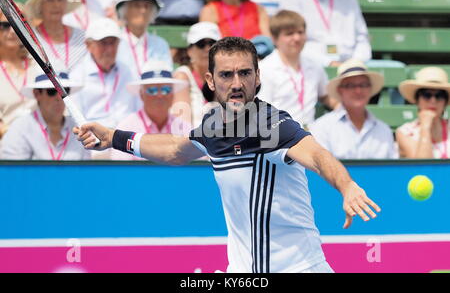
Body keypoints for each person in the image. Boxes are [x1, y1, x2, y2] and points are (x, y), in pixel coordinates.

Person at [74, 37, 381, 273]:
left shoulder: (273, 125)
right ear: (210, 81)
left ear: (257, 77)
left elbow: (316, 154)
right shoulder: (211, 127)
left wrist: (347, 185)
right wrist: (114, 137)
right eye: (226, 75)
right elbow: (173, 150)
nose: (236, 84)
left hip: (298, 267)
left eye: (245, 73)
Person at [258, 10, 338, 128]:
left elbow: (326, 96)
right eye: (289, 33)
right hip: (279, 137)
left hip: (311, 134)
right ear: (274, 38)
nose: (297, 38)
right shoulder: (264, 69)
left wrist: (342, 109)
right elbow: (262, 113)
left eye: (300, 32)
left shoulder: (314, 66)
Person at [309, 59, 397, 159]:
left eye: (363, 85)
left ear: (370, 89)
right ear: (340, 90)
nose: (358, 91)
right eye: (350, 85)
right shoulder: (322, 128)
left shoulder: (384, 130)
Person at [279, 0, 371, 67]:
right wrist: (328, 63)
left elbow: (362, 37)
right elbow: (292, 41)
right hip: (310, 67)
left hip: (352, 69)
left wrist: (356, 62)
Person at [1, 68, 90, 160]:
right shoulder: (20, 128)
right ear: (37, 94)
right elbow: (13, 172)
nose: (59, 98)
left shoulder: (80, 128)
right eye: (52, 91)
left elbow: (87, 169)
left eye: (64, 91)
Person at [111, 60, 190, 160]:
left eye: (166, 90)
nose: (160, 95)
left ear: (173, 94)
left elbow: (197, 166)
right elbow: (120, 169)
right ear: (141, 95)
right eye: (152, 90)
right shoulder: (126, 128)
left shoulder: (184, 127)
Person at [70, 17, 139, 129]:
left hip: (127, 137)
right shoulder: (76, 77)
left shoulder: (129, 71)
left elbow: (138, 109)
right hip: (93, 139)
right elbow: (76, 120)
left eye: (113, 43)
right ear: (88, 45)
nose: (110, 49)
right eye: (104, 43)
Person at [25, 0, 88, 71]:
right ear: (39, 5)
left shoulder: (82, 37)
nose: (56, 5)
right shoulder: (30, 39)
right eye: (50, 0)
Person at [115, 0, 173, 83]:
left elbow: (166, 77)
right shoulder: (114, 42)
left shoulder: (160, 44)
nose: (143, 10)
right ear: (125, 10)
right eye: (136, 5)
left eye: (146, 6)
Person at [173, 21, 221, 127]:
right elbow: (182, 126)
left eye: (212, 44)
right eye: (201, 44)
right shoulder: (182, 76)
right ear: (189, 51)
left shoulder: (226, 76)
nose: (207, 48)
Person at [396, 67, 450, 159]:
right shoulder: (405, 132)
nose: (433, 101)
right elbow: (422, 168)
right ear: (417, 100)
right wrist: (425, 127)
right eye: (426, 95)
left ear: (445, 102)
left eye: (439, 95)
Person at [0, 9, 36, 143]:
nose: (12, 31)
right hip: (6, 145)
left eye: (17, 24)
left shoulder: (39, 66)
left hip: (44, 143)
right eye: (5, 25)